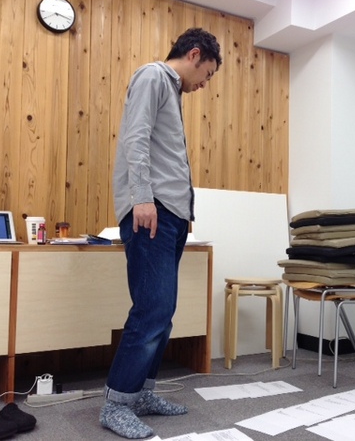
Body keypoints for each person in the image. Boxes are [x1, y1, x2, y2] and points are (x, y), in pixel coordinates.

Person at [100, 27, 222, 439]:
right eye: (207, 74)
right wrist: (142, 198)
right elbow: (135, 138)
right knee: (151, 309)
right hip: (151, 210)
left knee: (162, 311)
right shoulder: (153, 76)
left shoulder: (171, 90)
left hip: (170, 215)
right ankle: (117, 404)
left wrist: (183, 213)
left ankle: (142, 394)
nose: (204, 84)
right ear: (194, 54)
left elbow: (164, 155)